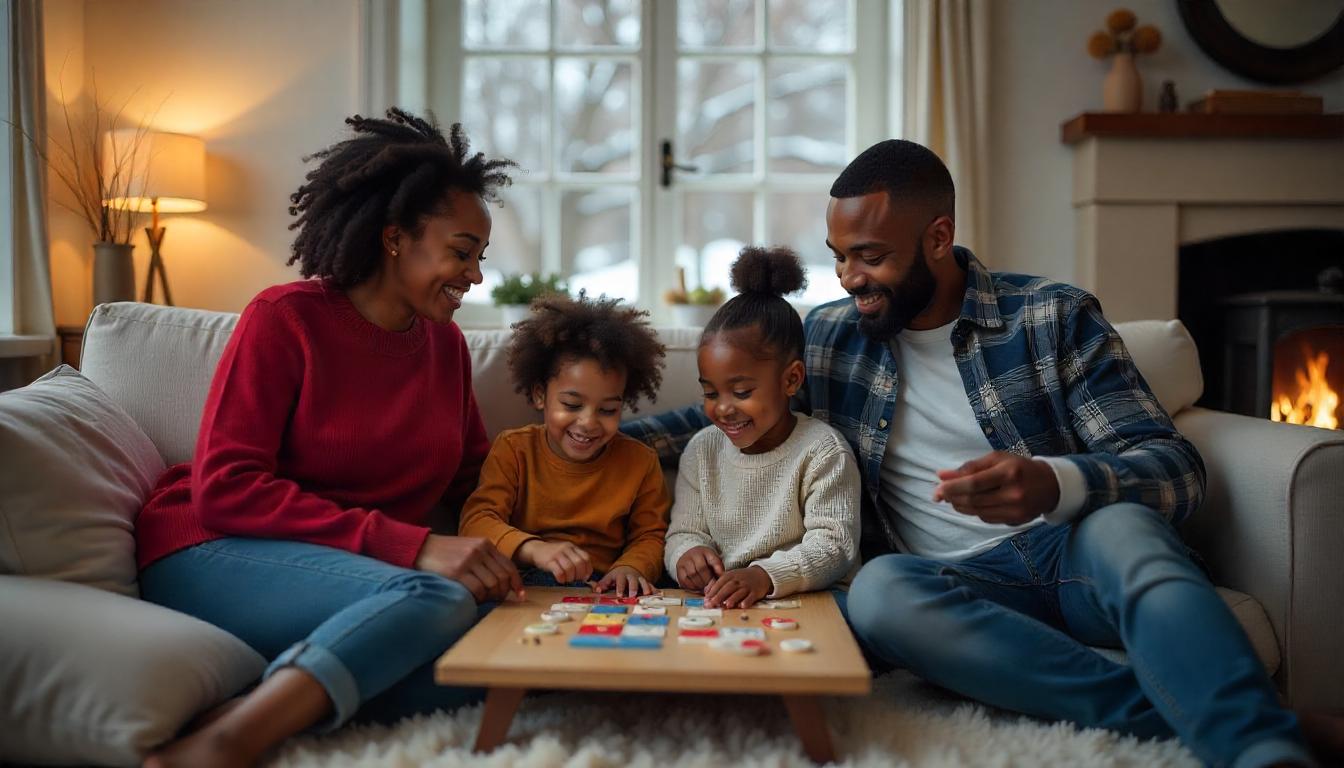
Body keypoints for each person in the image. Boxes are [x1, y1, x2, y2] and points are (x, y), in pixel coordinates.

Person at [623, 139, 1328, 768]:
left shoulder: (1051, 316)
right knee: (878, 590)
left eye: (870, 257)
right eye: (839, 257)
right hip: (946, 585)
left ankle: (1263, 750)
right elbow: (721, 414)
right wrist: (591, 437)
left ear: (938, 237)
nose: (849, 278)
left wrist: (1056, 484)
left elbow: (1174, 467)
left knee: (1128, 529)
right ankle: (1214, 718)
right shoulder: (833, 337)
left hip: (1072, 554)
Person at [135, 109, 525, 768]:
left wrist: (557, 538)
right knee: (433, 596)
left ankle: (264, 697)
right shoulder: (286, 319)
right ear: (395, 237)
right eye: (462, 251)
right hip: (213, 552)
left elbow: (475, 480)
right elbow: (225, 490)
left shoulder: (445, 345)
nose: (475, 276)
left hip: (359, 581)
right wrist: (416, 547)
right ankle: (225, 745)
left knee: (525, 644)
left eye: (480, 257)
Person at [666, 247, 860, 610]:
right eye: (710, 392)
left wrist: (764, 576)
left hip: (813, 599)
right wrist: (687, 555)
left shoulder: (823, 451)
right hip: (727, 602)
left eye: (741, 392)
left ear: (791, 379)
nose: (722, 408)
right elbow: (684, 530)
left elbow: (835, 545)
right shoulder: (702, 450)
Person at [458, 294, 670, 597]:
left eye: (608, 410)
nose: (588, 422)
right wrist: (534, 549)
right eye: (572, 405)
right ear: (540, 395)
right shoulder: (514, 450)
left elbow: (651, 535)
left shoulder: (640, 461)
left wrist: (632, 567)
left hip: (602, 587)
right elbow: (476, 522)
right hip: (526, 579)